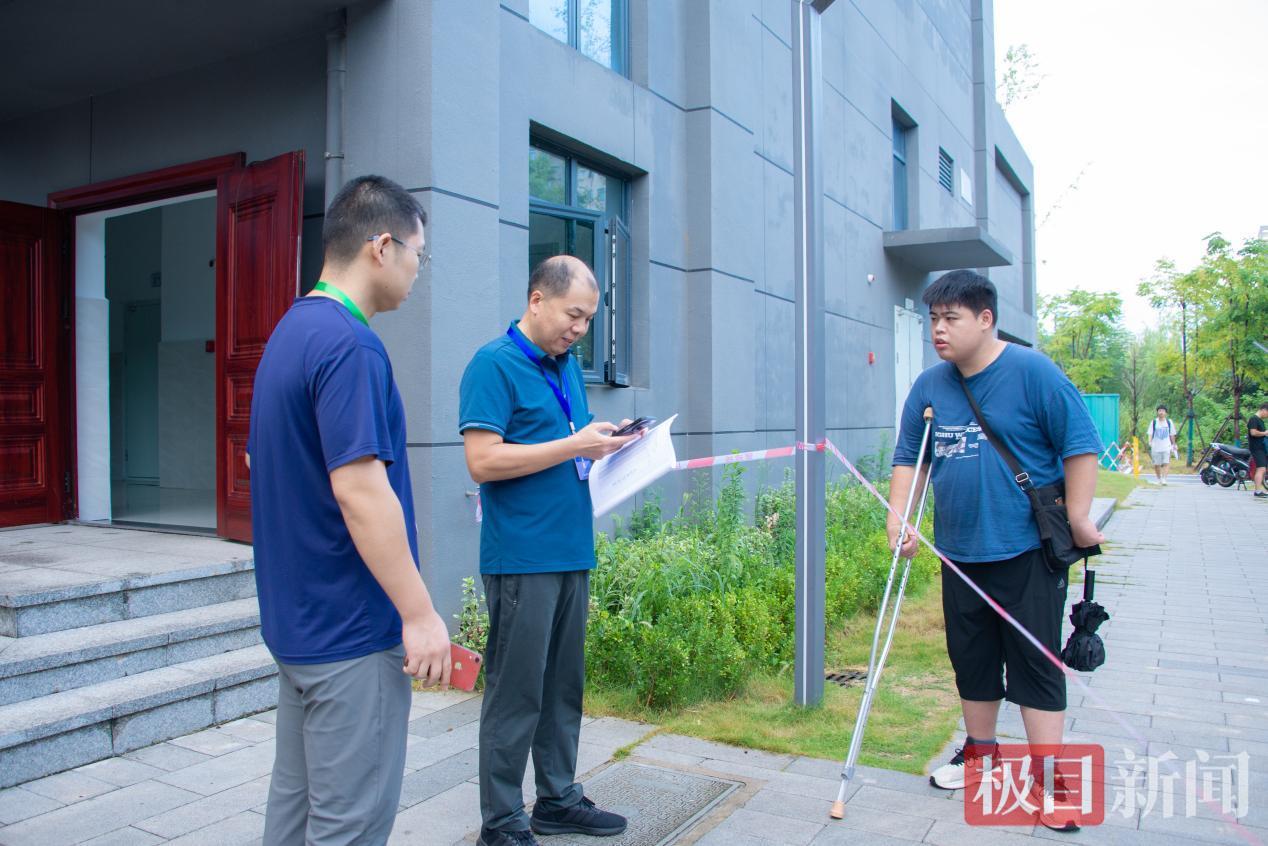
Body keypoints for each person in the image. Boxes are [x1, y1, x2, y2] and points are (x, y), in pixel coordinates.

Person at [248, 175, 450, 845]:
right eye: (419, 254)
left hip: (298, 627)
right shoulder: (351, 345)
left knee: (295, 817)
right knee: (347, 828)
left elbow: (263, 464)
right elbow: (361, 492)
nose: (418, 270)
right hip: (351, 634)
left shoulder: (289, 333)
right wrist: (418, 614)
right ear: (382, 247)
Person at [889, 270, 1104, 833]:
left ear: (985, 319)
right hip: (958, 552)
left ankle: (1049, 779)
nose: (938, 329)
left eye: (951, 318)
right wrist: (899, 520)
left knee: (1035, 664)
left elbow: (1081, 446)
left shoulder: (1034, 373)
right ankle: (980, 755)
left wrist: (1080, 518)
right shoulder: (929, 387)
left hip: (1025, 550)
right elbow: (909, 457)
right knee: (973, 660)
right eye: (934, 319)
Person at [459, 255, 637, 846]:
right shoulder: (493, 364)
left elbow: (566, 443)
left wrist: (603, 442)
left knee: (563, 687)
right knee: (516, 691)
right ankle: (502, 821)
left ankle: (557, 800)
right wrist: (572, 446)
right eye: (573, 315)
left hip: (570, 549)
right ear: (537, 300)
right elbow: (482, 460)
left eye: (588, 321)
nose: (579, 329)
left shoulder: (565, 367)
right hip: (522, 557)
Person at [1148, 405, 1178, 485]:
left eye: (1163, 411)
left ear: (1166, 413)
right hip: (1156, 446)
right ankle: (1159, 479)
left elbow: (1172, 434)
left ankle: (1164, 479)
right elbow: (1150, 433)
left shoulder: (1169, 422)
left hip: (1166, 446)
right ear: (1157, 412)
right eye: (1159, 411)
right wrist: (1150, 442)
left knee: (1166, 463)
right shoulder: (1154, 422)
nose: (1161, 412)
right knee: (1156, 464)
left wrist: (1174, 444)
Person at [1248, 402, 1268, 499]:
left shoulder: (1260, 420)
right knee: (1261, 468)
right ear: (1264, 410)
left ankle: (1259, 490)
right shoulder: (1254, 419)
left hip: (1261, 448)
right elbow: (1253, 432)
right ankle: (1258, 491)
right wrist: (1265, 433)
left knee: (1262, 468)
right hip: (1256, 448)